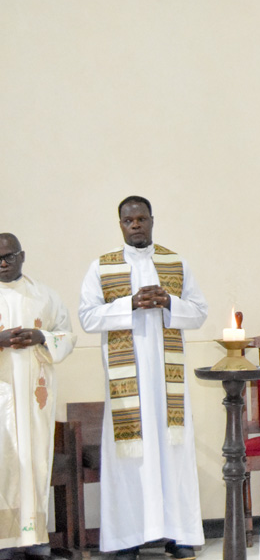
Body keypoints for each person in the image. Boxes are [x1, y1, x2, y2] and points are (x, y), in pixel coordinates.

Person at [78, 197, 208, 560]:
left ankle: (179, 535)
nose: (135, 225)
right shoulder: (102, 267)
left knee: (173, 455)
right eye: (128, 220)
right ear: (119, 224)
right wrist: (130, 304)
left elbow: (199, 313)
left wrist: (169, 302)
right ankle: (127, 539)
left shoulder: (175, 263)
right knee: (130, 460)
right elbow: (88, 317)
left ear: (152, 220)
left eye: (141, 218)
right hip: (127, 389)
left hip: (168, 390)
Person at [0, 233, 77, 560]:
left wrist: (41, 335)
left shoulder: (44, 296)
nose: (3, 263)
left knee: (34, 460)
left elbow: (67, 335)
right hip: (3, 394)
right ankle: (4, 540)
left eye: (8, 256)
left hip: (36, 396)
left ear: (22, 256)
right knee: (4, 461)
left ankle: (33, 537)